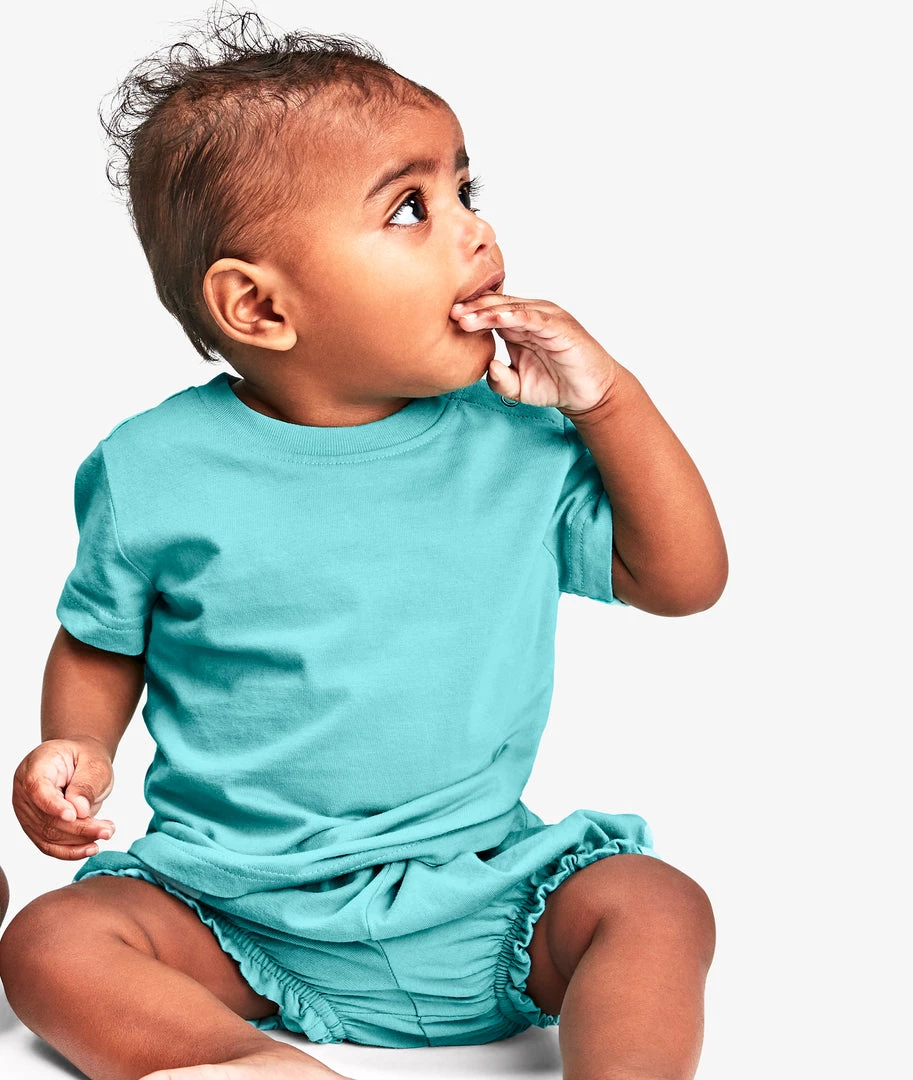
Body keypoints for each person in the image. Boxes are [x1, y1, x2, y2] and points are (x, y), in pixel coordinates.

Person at [0, 9, 726, 1080]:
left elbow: (684, 580)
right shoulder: (155, 467)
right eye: (410, 208)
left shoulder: (517, 441)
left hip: (486, 889)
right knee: (50, 944)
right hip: (232, 907)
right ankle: (244, 1062)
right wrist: (77, 748)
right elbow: (103, 639)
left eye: (466, 190)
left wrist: (608, 402)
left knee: (657, 903)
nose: (475, 231)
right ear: (259, 306)